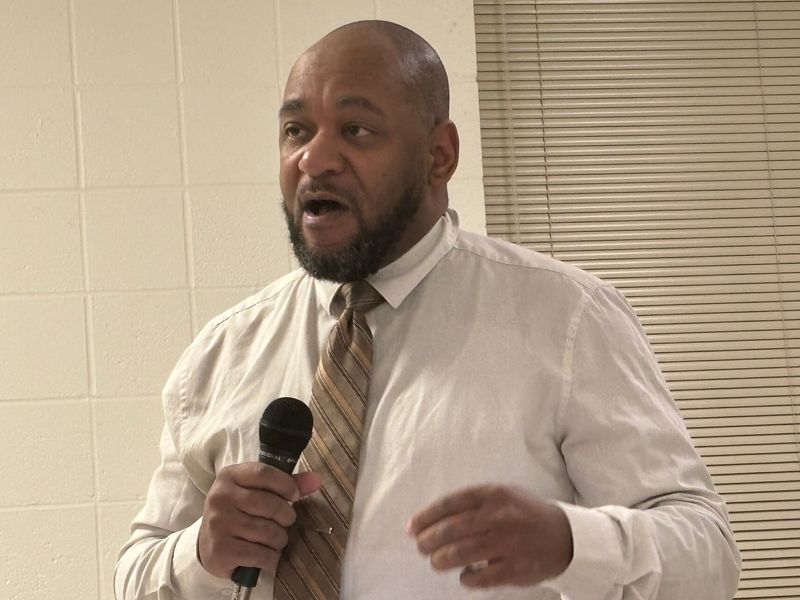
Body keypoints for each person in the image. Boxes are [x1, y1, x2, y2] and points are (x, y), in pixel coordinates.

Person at [115, 20, 741, 600]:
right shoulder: (222, 353)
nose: (314, 158)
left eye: (355, 130)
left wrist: (573, 543)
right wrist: (199, 553)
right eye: (296, 131)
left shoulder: (568, 319)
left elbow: (709, 553)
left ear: (438, 156)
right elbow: (132, 576)